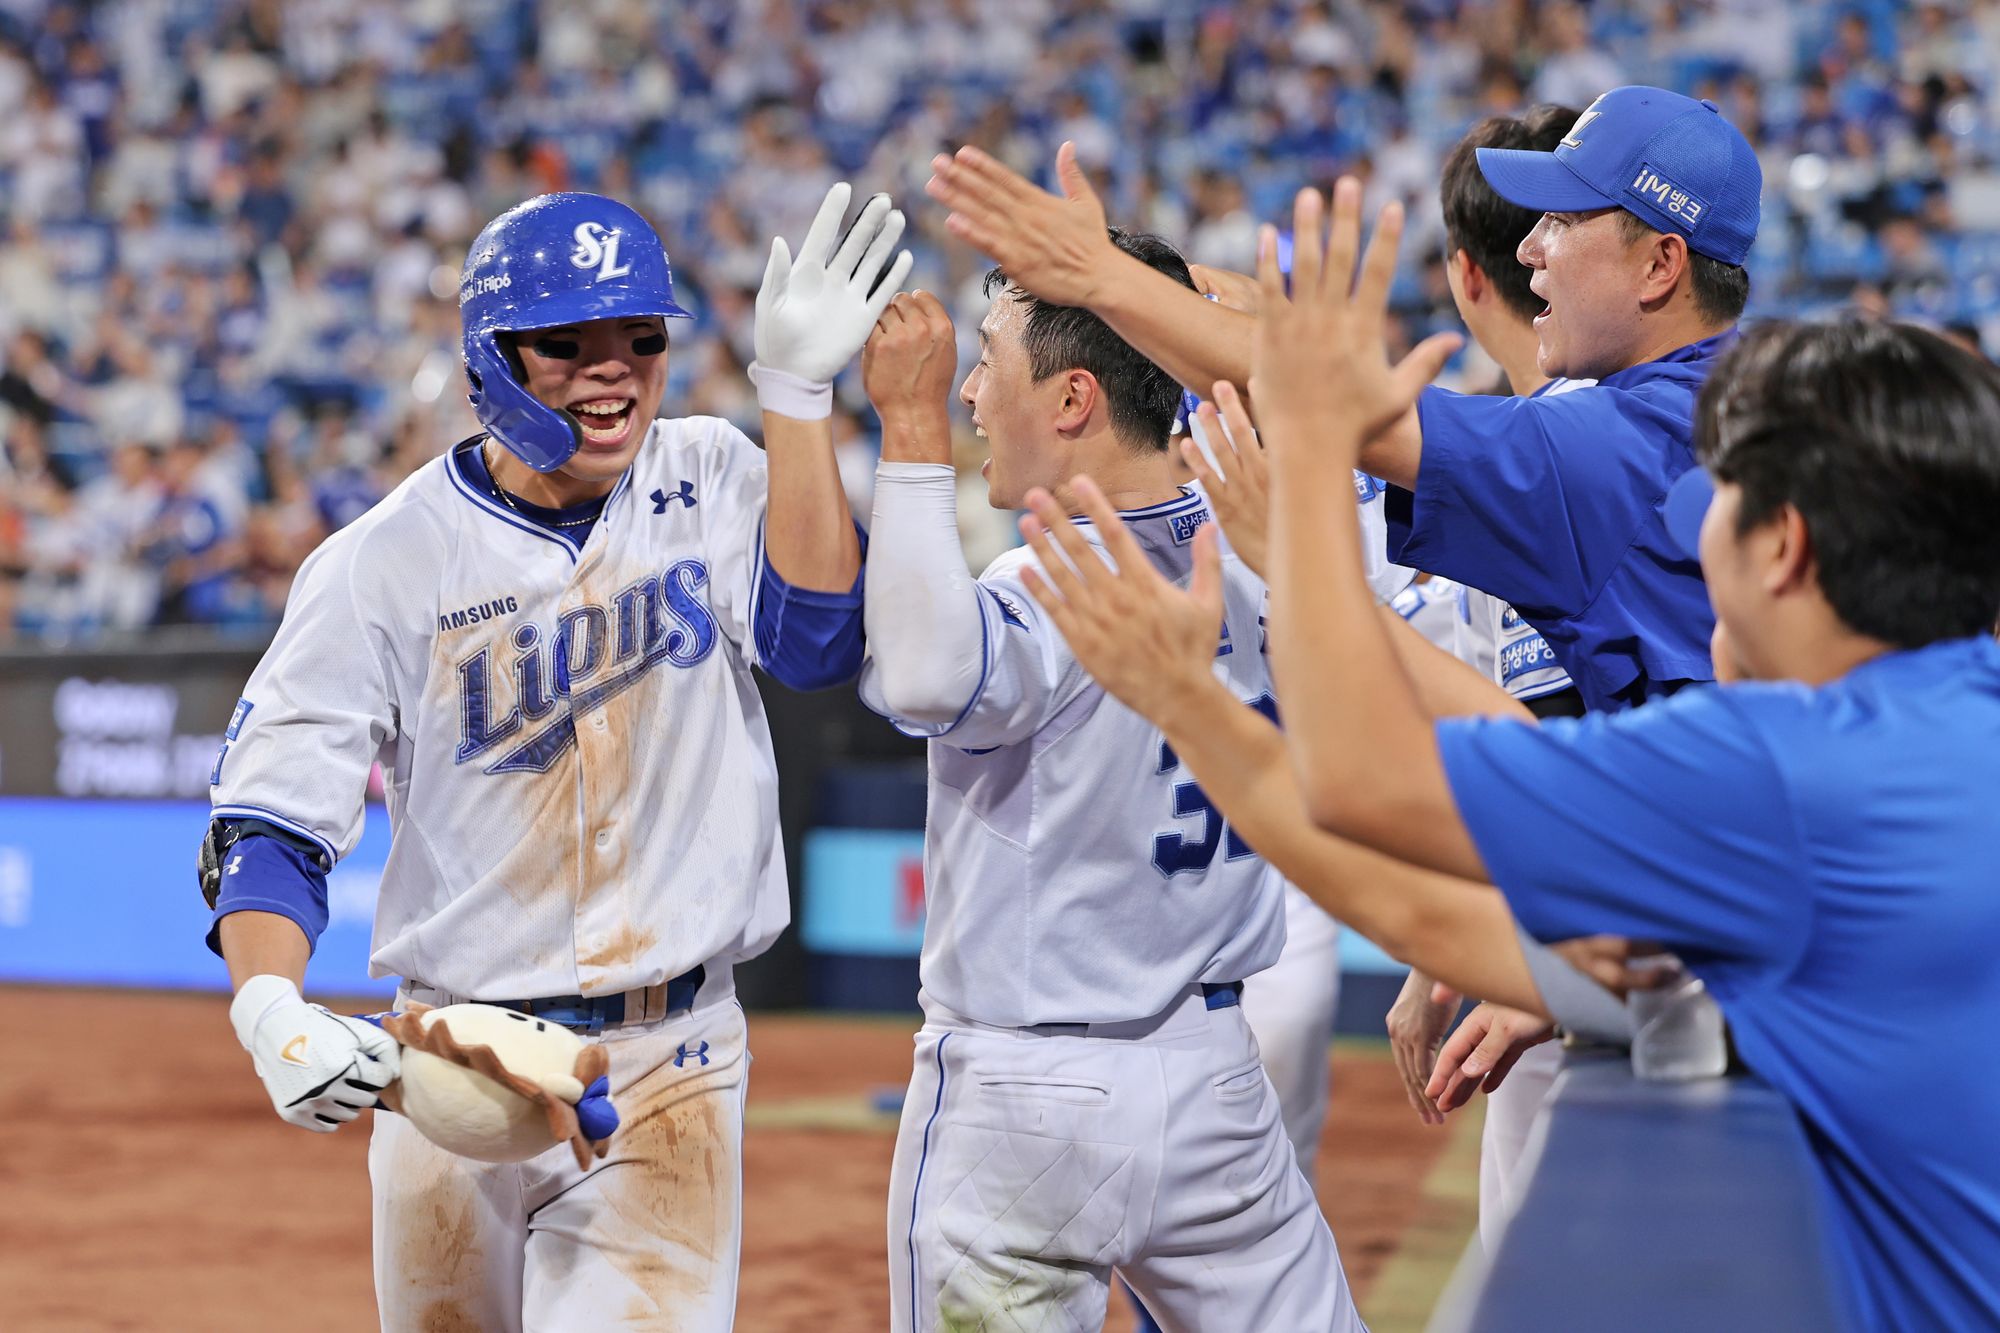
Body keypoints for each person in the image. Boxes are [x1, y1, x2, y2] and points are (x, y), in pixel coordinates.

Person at [1031, 178, 2000, 1329]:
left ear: (1782, 545)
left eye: (1720, 499)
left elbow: (1367, 790)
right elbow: (1499, 896)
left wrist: (1210, 652)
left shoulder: (1778, 770)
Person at [201, 185, 911, 1330]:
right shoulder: (383, 559)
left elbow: (817, 640)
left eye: (639, 338)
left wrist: (797, 401)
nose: (612, 371)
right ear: (490, 357)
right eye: (565, 343)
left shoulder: (714, 474)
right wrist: (267, 1002)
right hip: (454, 1062)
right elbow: (272, 817)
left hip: (668, 1061)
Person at [855, 234, 1365, 1331]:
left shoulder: (1051, 570)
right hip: (1217, 1077)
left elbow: (924, 676)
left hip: (1027, 1095)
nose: (972, 393)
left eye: (986, 360)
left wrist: (906, 434)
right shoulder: (1265, 537)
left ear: (1074, 398)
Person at [925, 83, 1760, 711]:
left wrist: (1100, 279)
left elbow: (1334, 408)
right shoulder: (1757, 397)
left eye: (1567, 220)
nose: (1533, 246)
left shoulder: (1614, 442)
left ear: (1662, 265)